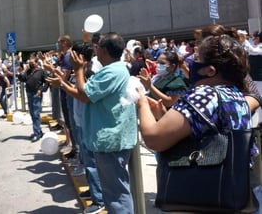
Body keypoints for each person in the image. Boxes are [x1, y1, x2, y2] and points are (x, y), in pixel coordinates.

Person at [136, 35, 254, 204]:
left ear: (210, 70)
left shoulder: (205, 93)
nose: (190, 63)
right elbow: (201, 132)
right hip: (232, 191)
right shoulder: (236, 94)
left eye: (196, 59)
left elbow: (154, 139)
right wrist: (163, 115)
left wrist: (142, 105)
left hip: (203, 195)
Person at [52, 32, 137, 214]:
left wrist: (78, 70)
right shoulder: (116, 69)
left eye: (97, 47)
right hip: (111, 139)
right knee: (113, 191)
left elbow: (85, 95)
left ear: (104, 50)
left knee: (116, 194)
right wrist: (63, 84)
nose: (95, 51)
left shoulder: (112, 71)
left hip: (111, 140)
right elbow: (86, 94)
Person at [17, 56, 49, 142]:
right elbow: (23, 79)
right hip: (29, 94)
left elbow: (47, 82)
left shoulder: (41, 71)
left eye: (32, 62)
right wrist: (20, 73)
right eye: (29, 62)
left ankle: (36, 133)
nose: (31, 64)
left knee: (36, 113)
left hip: (36, 94)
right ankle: (39, 131)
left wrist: (41, 90)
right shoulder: (28, 71)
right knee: (32, 113)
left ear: (36, 62)